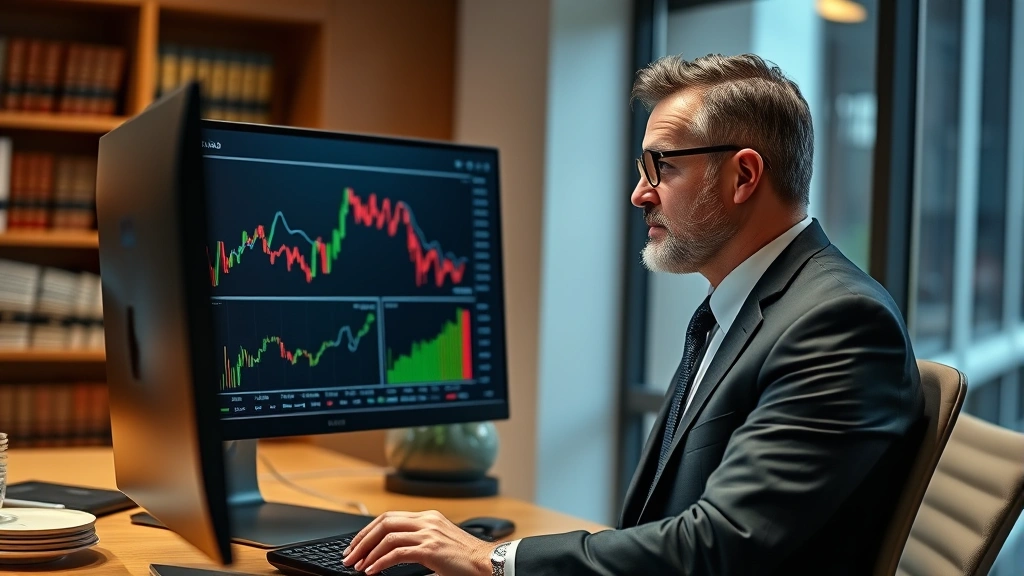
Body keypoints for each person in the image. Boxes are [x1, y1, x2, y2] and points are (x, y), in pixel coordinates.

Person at [340, 53, 925, 576]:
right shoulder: (744, 307)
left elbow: (722, 544)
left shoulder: (839, 323)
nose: (639, 194)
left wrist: (493, 560)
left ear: (744, 176)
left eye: (660, 167)